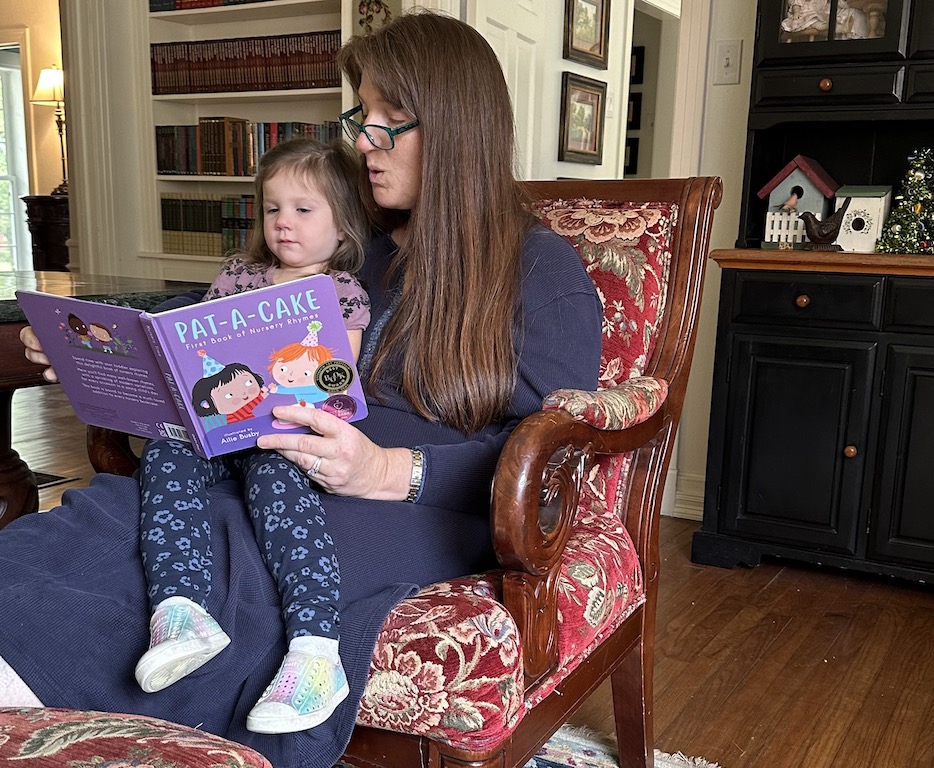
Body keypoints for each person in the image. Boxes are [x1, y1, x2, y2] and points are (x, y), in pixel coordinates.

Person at [5, 9, 602, 768]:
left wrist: (387, 470)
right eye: (363, 117)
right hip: (280, 465)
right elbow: (235, 350)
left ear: (457, 129)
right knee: (105, 518)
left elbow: (555, 464)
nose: (363, 141)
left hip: (417, 507)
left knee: (239, 565)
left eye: (391, 122)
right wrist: (107, 364)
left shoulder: (543, 276)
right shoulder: (361, 255)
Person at [132, 136, 371, 736]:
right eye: (272, 209)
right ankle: (183, 613)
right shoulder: (239, 274)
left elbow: (338, 387)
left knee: (276, 484)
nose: (283, 223)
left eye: (303, 209)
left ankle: (318, 649)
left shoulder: (341, 295)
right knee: (164, 454)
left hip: (283, 437)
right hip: (215, 429)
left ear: (343, 226)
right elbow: (196, 354)